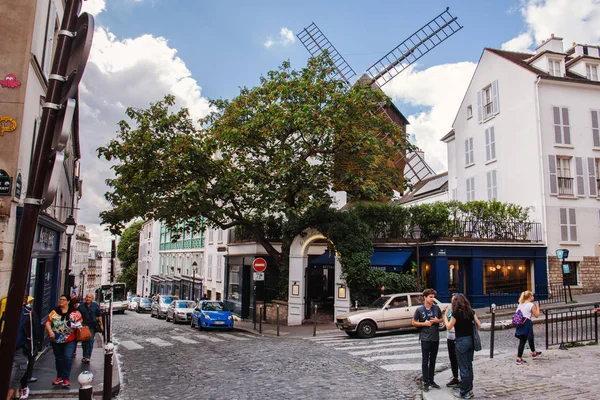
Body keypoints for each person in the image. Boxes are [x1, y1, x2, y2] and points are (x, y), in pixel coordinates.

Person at [444, 293, 481, 400]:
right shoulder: (470, 312)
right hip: (471, 340)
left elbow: (448, 326)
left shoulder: (456, 314)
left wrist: (445, 316)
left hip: (461, 341)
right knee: (469, 366)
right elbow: (479, 325)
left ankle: (464, 392)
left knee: (463, 368)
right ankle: (469, 389)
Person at [45, 294, 83, 387]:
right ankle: (59, 376)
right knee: (58, 358)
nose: (61, 301)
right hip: (56, 340)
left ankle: (66, 378)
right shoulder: (54, 312)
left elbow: (80, 322)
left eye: (63, 299)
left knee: (67, 357)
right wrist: (50, 331)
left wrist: (76, 324)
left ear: (68, 302)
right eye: (60, 299)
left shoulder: (74, 312)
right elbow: (48, 322)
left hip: (70, 339)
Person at [412, 288, 443, 392]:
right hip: (425, 337)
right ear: (425, 297)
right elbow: (413, 322)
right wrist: (424, 324)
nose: (432, 299)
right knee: (425, 360)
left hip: (435, 337)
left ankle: (431, 380)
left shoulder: (436, 308)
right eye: (430, 297)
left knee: (433, 360)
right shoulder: (419, 310)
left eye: (433, 297)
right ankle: (425, 382)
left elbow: (441, 319)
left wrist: (437, 320)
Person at [515, 290, 542, 365]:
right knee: (523, 341)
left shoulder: (520, 304)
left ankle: (533, 352)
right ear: (530, 297)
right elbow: (536, 315)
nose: (533, 297)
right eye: (532, 295)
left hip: (521, 322)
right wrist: (537, 307)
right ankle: (519, 358)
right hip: (527, 322)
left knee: (530, 338)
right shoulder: (531, 305)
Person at [78, 293, 103, 364]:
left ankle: (88, 357)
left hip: (92, 326)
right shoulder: (81, 306)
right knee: (84, 341)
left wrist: (101, 325)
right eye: (86, 297)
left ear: (92, 299)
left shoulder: (95, 306)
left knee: (90, 340)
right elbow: (78, 315)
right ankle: (84, 355)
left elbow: (99, 315)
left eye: (89, 297)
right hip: (84, 326)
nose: (87, 298)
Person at [445, 294, 461, 388]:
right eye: (452, 300)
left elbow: (449, 325)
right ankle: (455, 377)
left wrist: (444, 316)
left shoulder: (458, 311)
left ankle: (462, 379)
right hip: (450, 337)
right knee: (452, 359)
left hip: (457, 337)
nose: (452, 302)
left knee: (459, 359)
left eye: (454, 300)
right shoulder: (451, 310)